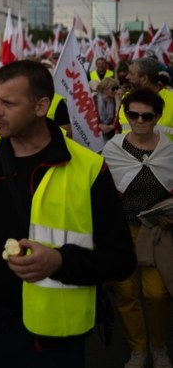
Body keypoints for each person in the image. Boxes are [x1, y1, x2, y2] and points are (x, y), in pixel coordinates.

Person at [0, 60, 136, 367]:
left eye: (9, 103)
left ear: (42, 105)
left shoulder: (88, 169)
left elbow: (121, 260)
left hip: (49, 344)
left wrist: (60, 261)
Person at [102, 88, 173, 368]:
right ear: (126, 114)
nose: (139, 120)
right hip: (121, 232)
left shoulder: (169, 148)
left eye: (146, 115)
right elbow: (102, 192)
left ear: (157, 117)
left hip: (156, 234)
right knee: (125, 293)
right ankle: (138, 349)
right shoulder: (112, 149)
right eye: (133, 114)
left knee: (157, 293)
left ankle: (159, 346)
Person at [120, 57, 173, 140]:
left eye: (131, 73)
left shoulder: (171, 99)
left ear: (144, 79)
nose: (127, 77)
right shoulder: (126, 99)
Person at [95, 77, 121, 141]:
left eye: (116, 88)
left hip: (111, 133)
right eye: (113, 89)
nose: (115, 91)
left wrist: (118, 102)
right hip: (96, 133)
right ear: (104, 89)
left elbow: (118, 118)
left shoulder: (116, 99)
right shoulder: (94, 99)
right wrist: (99, 126)